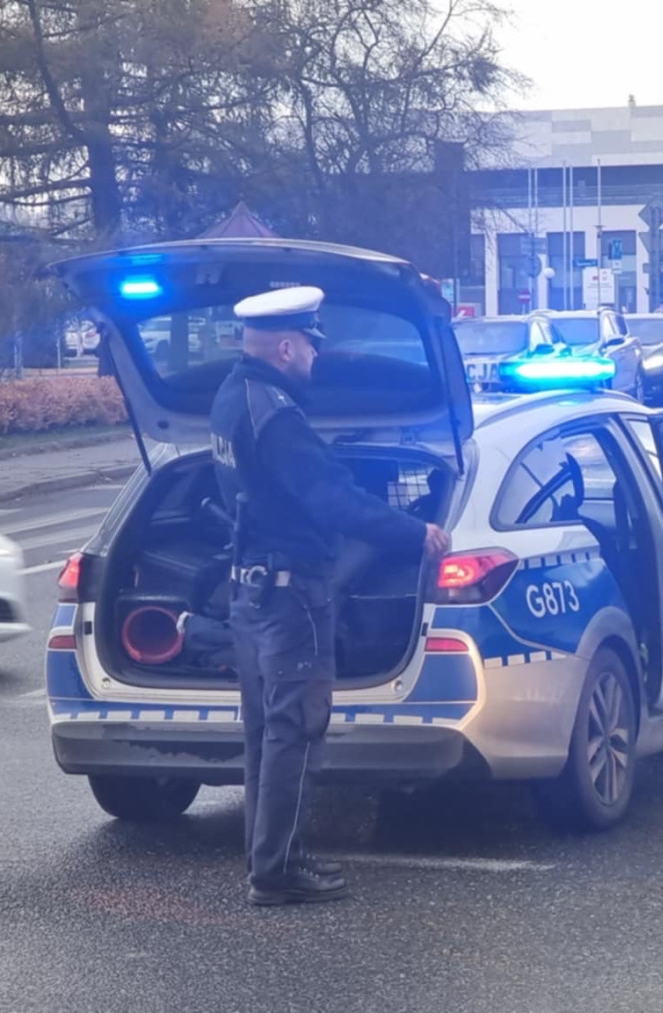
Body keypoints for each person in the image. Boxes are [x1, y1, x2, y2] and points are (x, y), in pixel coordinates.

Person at [212, 286, 451, 905]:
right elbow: (334, 501)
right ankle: (279, 871)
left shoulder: (230, 398)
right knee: (295, 731)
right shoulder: (279, 417)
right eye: (312, 345)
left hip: (250, 592)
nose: (317, 356)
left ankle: (265, 858)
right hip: (291, 597)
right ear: (286, 348)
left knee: (265, 734)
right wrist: (416, 533)